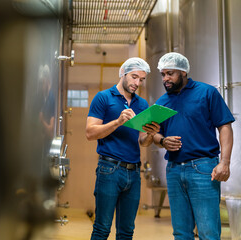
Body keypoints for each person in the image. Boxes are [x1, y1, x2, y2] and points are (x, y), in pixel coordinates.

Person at [152, 52, 235, 240]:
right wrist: (162, 141)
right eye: (163, 74)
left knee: (208, 232)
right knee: (181, 232)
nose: (166, 79)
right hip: (173, 169)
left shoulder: (207, 93)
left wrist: (225, 162)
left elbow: (224, 126)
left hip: (203, 168)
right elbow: (154, 133)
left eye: (170, 73)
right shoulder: (162, 102)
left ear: (183, 72)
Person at [86, 57, 160, 240]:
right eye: (134, 77)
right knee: (102, 228)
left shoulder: (142, 104)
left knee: (127, 231)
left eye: (141, 79)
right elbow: (90, 133)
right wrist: (118, 122)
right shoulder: (103, 98)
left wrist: (151, 133)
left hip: (134, 172)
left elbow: (142, 141)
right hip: (109, 170)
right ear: (123, 73)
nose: (137, 83)